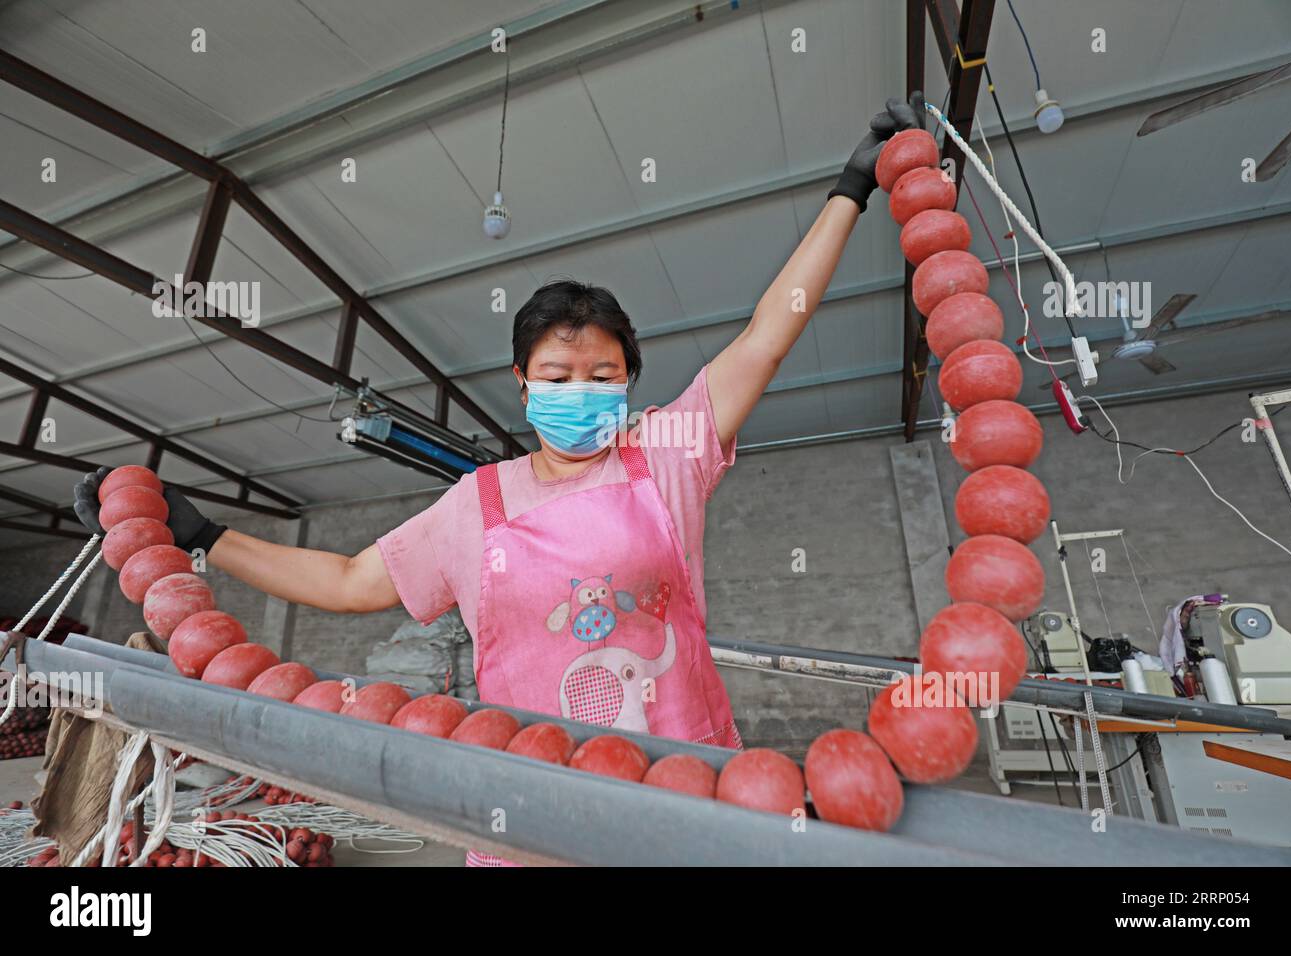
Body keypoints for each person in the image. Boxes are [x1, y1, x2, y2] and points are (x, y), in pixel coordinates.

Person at [74, 93, 926, 865]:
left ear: (629, 379)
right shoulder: (476, 504)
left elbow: (765, 339)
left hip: (683, 790)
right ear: (521, 384)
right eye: (555, 376)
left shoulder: (664, 455)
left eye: (601, 374)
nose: (579, 392)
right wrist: (206, 536)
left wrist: (850, 190)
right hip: (524, 811)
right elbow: (344, 580)